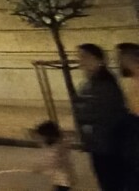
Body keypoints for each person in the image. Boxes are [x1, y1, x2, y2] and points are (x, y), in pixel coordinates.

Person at [74, 43, 128, 191]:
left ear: (100, 60)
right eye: (79, 57)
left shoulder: (105, 85)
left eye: (85, 57)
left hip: (107, 146)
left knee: (112, 183)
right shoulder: (89, 83)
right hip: (98, 145)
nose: (81, 61)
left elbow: (109, 117)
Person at [33, 120, 74, 191]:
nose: (40, 139)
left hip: (62, 180)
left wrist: (41, 168)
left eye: (41, 137)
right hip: (63, 178)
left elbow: (53, 161)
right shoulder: (61, 143)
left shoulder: (56, 148)